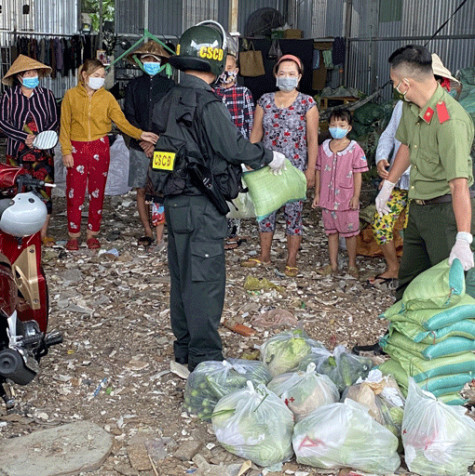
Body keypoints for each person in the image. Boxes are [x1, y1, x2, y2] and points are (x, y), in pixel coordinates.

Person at [152, 21, 285, 371]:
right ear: (214, 59)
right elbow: (233, 146)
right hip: (201, 206)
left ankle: (183, 353)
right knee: (205, 284)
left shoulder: (171, 97)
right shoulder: (207, 103)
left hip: (175, 203)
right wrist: (270, 157)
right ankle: (205, 361)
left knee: (182, 280)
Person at [375, 45, 474, 301]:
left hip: (445, 215)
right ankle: (395, 339)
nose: (395, 87)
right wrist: (389, 184)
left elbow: (459, 186)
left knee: (446, 289)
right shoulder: (410, 106)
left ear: (406, 83)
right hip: (417, 209)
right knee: (408, 281)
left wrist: (463, 237)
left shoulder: (450, 122)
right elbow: (406, 145)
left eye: (394, 82)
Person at [59, 59, 158, 251]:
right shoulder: (70, 96)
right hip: (77, 149)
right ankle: (73, 235)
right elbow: (64, 126)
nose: (100, 80)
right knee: (74, 193)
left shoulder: (107, 98)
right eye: (96, 76)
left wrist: (140, 134)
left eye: (102, 77)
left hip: (100, 147)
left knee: (97, 193)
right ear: (84, 75)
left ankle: (92, 234)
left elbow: (121, 121)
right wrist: (66, 151)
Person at [241, 54, 319, 277]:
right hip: (266, 165)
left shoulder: (307, 103)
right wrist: (249, 160)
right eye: (282, 73)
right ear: (275, 75)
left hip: (294, 168)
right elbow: (256, 133)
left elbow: (313, 140)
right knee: (265, 210)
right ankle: (264, 256)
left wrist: (311, 170)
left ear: (300, 76)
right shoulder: (265, 100)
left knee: (294, 213)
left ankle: (291, 259)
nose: (287, 77)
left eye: (292, 74)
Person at [0, 54, 58, 246]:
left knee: (43, 191)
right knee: (16, 192)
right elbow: (2, 123)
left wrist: (41, 138)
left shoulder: (47, 95)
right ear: (19, 77)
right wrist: (24, 137)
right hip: (17, 152)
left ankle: (42, 234)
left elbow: (54, 120)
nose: (32, 75)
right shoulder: (9, 96)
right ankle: (19, 233)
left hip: (43, 153)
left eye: (34, 72)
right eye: (27, 73)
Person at [124, 41, 174, 250]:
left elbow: (173, 117)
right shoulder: (133, 86)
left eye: (154, 59)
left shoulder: (170, 86)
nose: (150, 62)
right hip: (138, 145)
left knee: (163, 189)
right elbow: (128, 115)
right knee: (141, 189)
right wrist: (142, 141)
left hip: (163, 146)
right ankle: (147, 229)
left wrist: (158, 143)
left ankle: (162, 230)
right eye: (146, 59)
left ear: (161, 62)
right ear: (140, 62)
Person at [312, 109, 368, 277]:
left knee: (350, 234)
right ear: (328, 126)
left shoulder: (354, 149)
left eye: (341, 125)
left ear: (349, 128)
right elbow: (318, 171)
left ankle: (352, 265)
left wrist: (356, 196)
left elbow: (358, 174)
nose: (337, 128)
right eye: (333, 125)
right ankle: (333, 264)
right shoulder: (323, 148)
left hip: (346, 198)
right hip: (327, 199)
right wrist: (317, 194)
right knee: (331, 232)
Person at [214, 51, 255, 249]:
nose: (226, 72)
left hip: (237, 150)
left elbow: (251, 122)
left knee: (235, 189)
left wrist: (249, 151)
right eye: (222, 69)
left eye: (229, 68)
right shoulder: (213, 93)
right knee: (217, 188)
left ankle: (233, 233)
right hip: (216, 151)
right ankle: (218, 230)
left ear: (236, 71)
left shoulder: (244, 93)